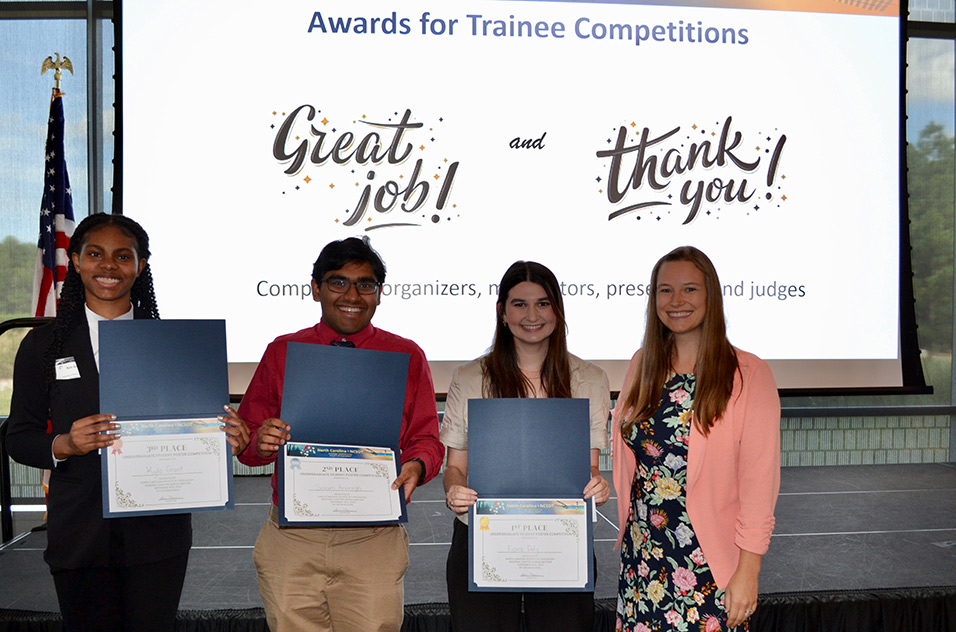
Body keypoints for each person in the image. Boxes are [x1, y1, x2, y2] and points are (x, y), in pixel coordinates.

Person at [4, 213, 250, 632]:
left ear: (141, 265)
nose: (109, 266)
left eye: (123, 256)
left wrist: (229, 436)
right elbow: (19, 438)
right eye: (96, 254)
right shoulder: (43, 345)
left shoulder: (173, 344)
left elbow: (199, 433)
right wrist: (64, 443)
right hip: (79, 533)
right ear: (76, 260)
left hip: (157, 536)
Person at [236, 236, 444, 632]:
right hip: (292, 539)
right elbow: (249, 443)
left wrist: (417, 466)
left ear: (380, 294)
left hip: (374, 539)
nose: (352, 294)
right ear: (315, 288)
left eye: (366, 284)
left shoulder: (406, 355)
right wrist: (259, 440)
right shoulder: (282, 350)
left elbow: (426, 439)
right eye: (338, 282)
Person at [611, 246, 781, 632]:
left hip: (708, 565)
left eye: (690, 289)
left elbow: (759, 483)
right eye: (665, 291)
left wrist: (748, 571)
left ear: (711, 297)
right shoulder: (643, 363)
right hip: (643, 559)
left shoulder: (748, 374)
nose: (676, 301)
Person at [442, 260, 611, 632]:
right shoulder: (470, 377)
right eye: (519, 304)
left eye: (543, 303)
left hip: (561, 541)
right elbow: (455, 467)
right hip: (483, 538)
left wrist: (599, 485)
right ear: (502, 312)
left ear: (558, 311)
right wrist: (454, 489)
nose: (532, 315)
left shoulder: (590, 379)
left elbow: (591, 468)